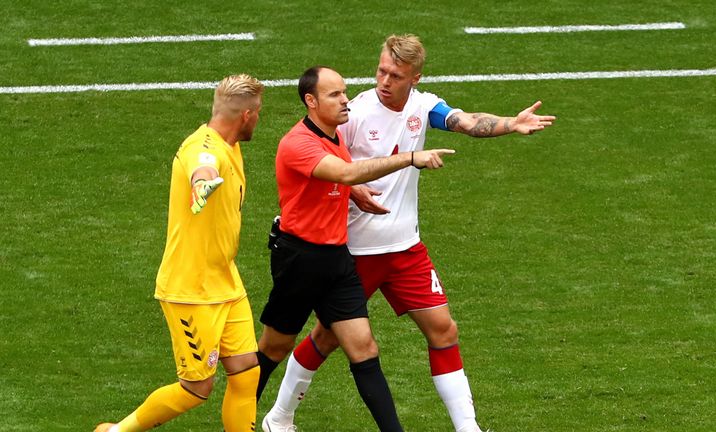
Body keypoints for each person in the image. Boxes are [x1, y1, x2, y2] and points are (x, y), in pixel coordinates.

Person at [261, 34, 556, 432]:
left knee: (444, 329)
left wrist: (509, 124)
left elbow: (466, 122)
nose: (383, 80)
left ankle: (468, 428)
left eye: (395, 75)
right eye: (381, 70)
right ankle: (279, 416)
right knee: (327, 339)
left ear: (415, 78)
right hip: (354, 251)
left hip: (405, 249)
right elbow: (328, 165)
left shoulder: (424, 106)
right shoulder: (354, 114)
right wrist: (354, 187)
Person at [255, 65, 454, 432]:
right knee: (274, 349)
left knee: (364, 349)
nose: (345, 99)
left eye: (344, 92)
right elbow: (345, 173)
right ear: (311, 101)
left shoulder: (335, 138)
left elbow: (343, 178)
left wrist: (356, 192)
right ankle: (239, 421)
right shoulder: (297, 142)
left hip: (336, 260)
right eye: (334, 94)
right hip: (299, 259)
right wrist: (411, 157)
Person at [94, 74, 265, 432]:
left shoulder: (231, 145)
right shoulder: (203, 147)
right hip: (191, 289)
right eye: (258, 113)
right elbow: (202, 166)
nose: (259, 119)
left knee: (246, 372)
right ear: (246, 116)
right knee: (196, 388)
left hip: (225, 279)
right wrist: (202, 183)